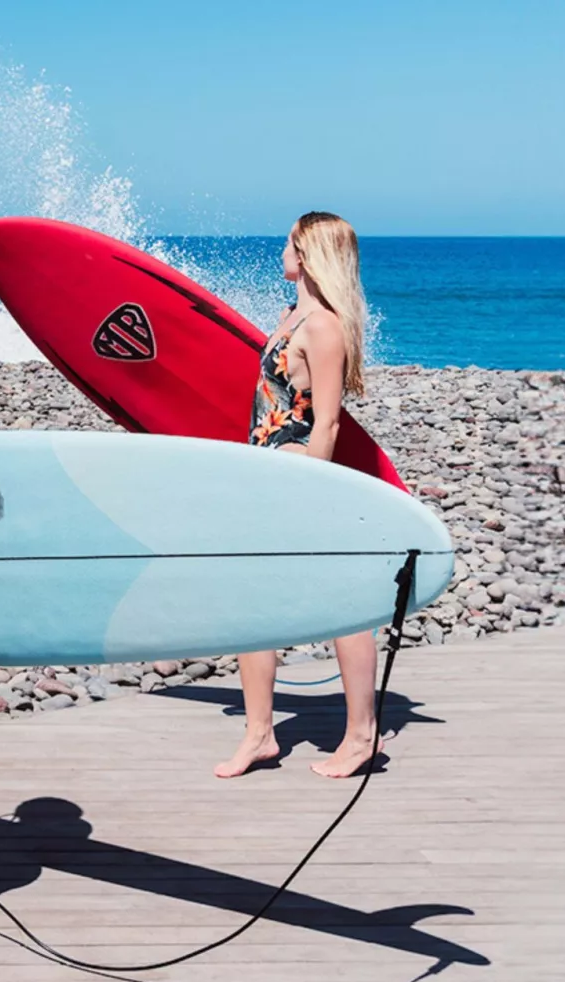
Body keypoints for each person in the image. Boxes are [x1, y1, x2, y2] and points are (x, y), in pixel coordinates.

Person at [215, 212, 379, 781]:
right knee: (249, 606)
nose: (281, 248)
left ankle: (362, 735)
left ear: (308, 253)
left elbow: (328, 424)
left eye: (289, 240)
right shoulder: (291, 316)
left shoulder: (324, 328)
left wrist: (311, 493)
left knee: (345, 605)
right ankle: (259, 734)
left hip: (301, 479)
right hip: (267, 476)